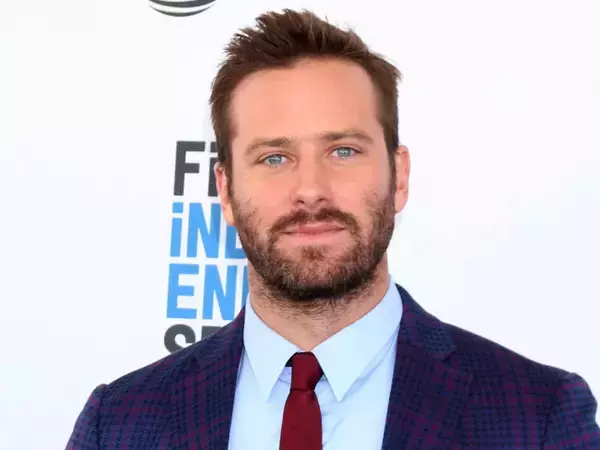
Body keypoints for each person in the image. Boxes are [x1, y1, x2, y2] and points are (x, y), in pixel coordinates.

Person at [66, 8, 600, 450]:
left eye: (342, 151)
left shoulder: (537, 417)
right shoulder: (119, 424)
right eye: (274, 158)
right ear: (225, 192)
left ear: (399, 177)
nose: (311, 189)